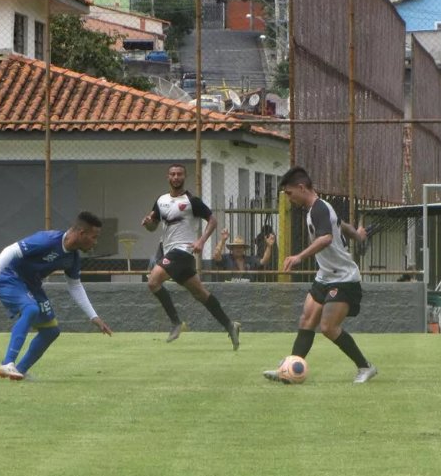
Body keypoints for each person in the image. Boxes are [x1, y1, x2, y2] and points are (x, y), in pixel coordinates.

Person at [262, 167, 377, 384]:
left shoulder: (318, 209)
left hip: (343, 278)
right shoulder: (320, 208)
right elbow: (341, 225)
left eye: (289, 193)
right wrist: (358, 236)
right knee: (306, 320)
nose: (288, 198)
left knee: (328, 328)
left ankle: (365, 367)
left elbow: (325, 238)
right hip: (324, 276)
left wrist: (298, 257)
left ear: (301, 187)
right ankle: (289, 369)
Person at [0, 212, 113, 380]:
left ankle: (20, 371)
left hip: (31, 285)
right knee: (31, 308)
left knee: (51, 331)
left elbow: (75, 285)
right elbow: (9, 251)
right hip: (9, 276)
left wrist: (93, 316)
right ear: (81, 233)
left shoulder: (73, 257)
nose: (95, 243)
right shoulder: (47, 240)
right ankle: (6, 364)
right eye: (94, 237)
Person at [141, 164, 241, 349]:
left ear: (185, 176)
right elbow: (153, 226)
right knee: (200, 293)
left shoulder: (192, 201)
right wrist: (147, 223)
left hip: (183, 251)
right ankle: (230, 325)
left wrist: (201, 241)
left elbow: (212, 220)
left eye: (179, 174)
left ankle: (176, 323)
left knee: (153, 281)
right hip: (169, 251)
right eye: (173, 174)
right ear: (168, 177)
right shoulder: (161, 200)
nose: (176, 177)